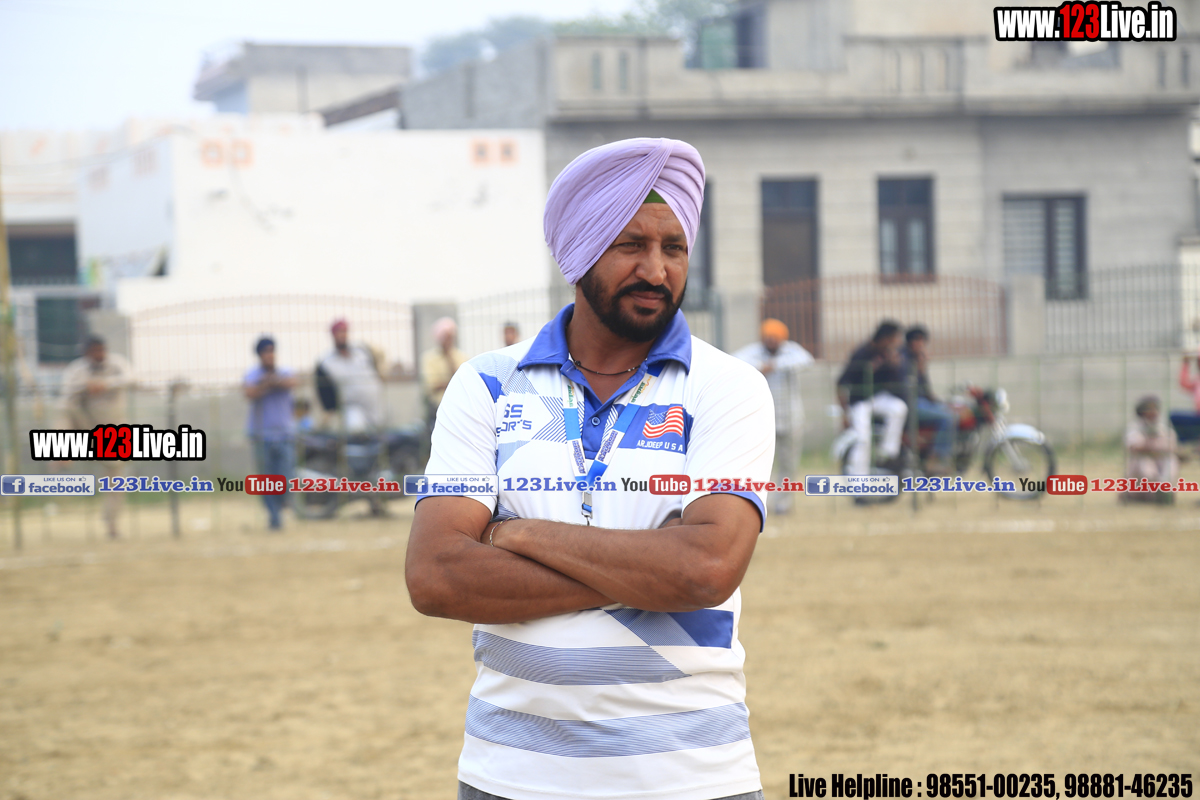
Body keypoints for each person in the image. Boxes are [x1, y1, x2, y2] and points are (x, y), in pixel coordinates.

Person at [406, 138, 772, 800]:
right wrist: (647, 568)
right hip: (510, 777)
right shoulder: (487, 384)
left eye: (674, 247)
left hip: (692, 778)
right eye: (631, 245)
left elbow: (705, 570)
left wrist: (515, 534)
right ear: (580, 250)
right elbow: (436, 577)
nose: (656, 269)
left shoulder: (727, 387)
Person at [733, 318, 813, 514]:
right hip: (762, 420)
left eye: (775, 338)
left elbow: (807, 360)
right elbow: (735, 360)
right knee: (759, 464)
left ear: (782, 339)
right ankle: (760, 502)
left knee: (788, 463)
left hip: (791, 419)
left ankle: (783, 504)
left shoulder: (790, 351)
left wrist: (774, 365)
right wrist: (760, 366)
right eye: (767, 337)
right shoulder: (754, 352)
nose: (771, 341)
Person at [60, 335, 133, 539]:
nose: (99, 354)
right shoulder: (77, 369)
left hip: (112, 431)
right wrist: (87, 385)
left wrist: (105, 384)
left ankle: (111, 524)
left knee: (115, 479)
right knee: (65, 409)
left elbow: (131, 378)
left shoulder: (117, 364)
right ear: (86, 353)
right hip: (86, 424)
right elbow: (66, 392)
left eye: (101, 350)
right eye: (94, 351)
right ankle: (63, 450)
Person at [836, 321, 908, 477]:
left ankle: (887, 454)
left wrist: (894, 365)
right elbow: (841, 383)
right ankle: (858, 480)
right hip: (859, 401)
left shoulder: (889, 354)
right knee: (863, 439)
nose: (897, 343)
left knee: (899, 408)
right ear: (885, 338)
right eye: (894, 339)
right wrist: (844, 413)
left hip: (878, 398)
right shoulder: (862, 353)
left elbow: (897, 382)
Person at [243, 337, 297, 530]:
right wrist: (267, 384)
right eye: (265, 352)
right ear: (259, 355)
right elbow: (250, 392)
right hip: (262, 435)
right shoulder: (252, 375)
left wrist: (272, 382)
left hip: (285, 434)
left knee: (286, 477)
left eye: (272, 351)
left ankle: (282, 504)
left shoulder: (285, 372)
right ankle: (274, 518)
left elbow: (292, 382)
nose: (269, 355)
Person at [901, 326, 957, 475]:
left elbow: (925, 390)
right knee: (948, 417)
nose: (920, 344)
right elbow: (908, 389)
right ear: (910, 342)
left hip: (921, 402)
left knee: (952, 412)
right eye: (917, 340)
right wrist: (919, 368)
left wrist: (941, 402)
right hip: (910, 403)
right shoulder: (903, 359)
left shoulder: (917, 359)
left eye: (922, 341)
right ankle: (936, 460)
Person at [315, 318, 385, 434]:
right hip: (353, 407)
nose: (342, 335)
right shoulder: (327, 362)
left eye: (344, 331)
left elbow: (378, 365)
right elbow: (324, 390)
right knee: (356, 432)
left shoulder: (362, 351)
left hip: (374, 405)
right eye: (339, 332)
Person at [1123, 395, 1180, 504]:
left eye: (1154, 409)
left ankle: (1165, 491)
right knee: (1146, 464)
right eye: (1149, 409)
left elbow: (1172, 446)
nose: (1153, 412)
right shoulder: (1135, 426)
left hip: (1160, 460)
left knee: (1171, 461)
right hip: (1140, 465)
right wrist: (1152, 445)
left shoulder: (1163, 426)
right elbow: (1134, 446)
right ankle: (1152, 492)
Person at [419, 316, 468, 423]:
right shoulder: (429, 358)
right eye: (445, 337)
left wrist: (450, 359)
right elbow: (431, 385)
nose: (448, 341)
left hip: (460, 405)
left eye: (450, 337)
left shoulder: (460, 356)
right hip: (438, 406)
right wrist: (453, 382)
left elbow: (465, 381)